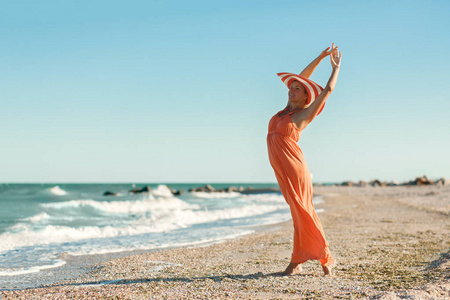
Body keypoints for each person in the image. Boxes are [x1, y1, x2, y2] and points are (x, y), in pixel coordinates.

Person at [267, 43, 341, 276]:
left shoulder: (303, 114)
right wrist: (319, 58)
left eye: (297, 89)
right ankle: (300, 261)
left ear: (306, 96)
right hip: (282, 167)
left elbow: (327, 90)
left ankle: (318, 258)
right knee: (298, 212)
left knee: (302, 211)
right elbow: (300, 78)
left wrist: (334, 68)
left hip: (294, 168)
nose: (291, 90)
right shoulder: (285, 111)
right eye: (291, 88)